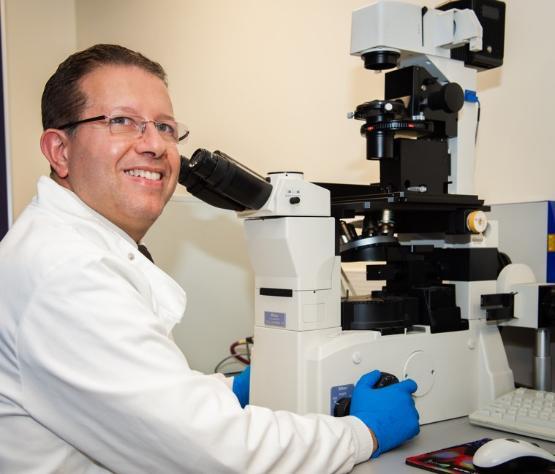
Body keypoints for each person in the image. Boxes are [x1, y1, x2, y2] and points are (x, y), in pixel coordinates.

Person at [0, 44, 419, 473]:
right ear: (59, 150)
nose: (154, 146)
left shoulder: (72, 246)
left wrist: (228, 390)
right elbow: (215, 453)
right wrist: (364, 432)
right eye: (121, 122)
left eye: (165, 127)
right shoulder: (67, 271)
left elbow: (144, 398)